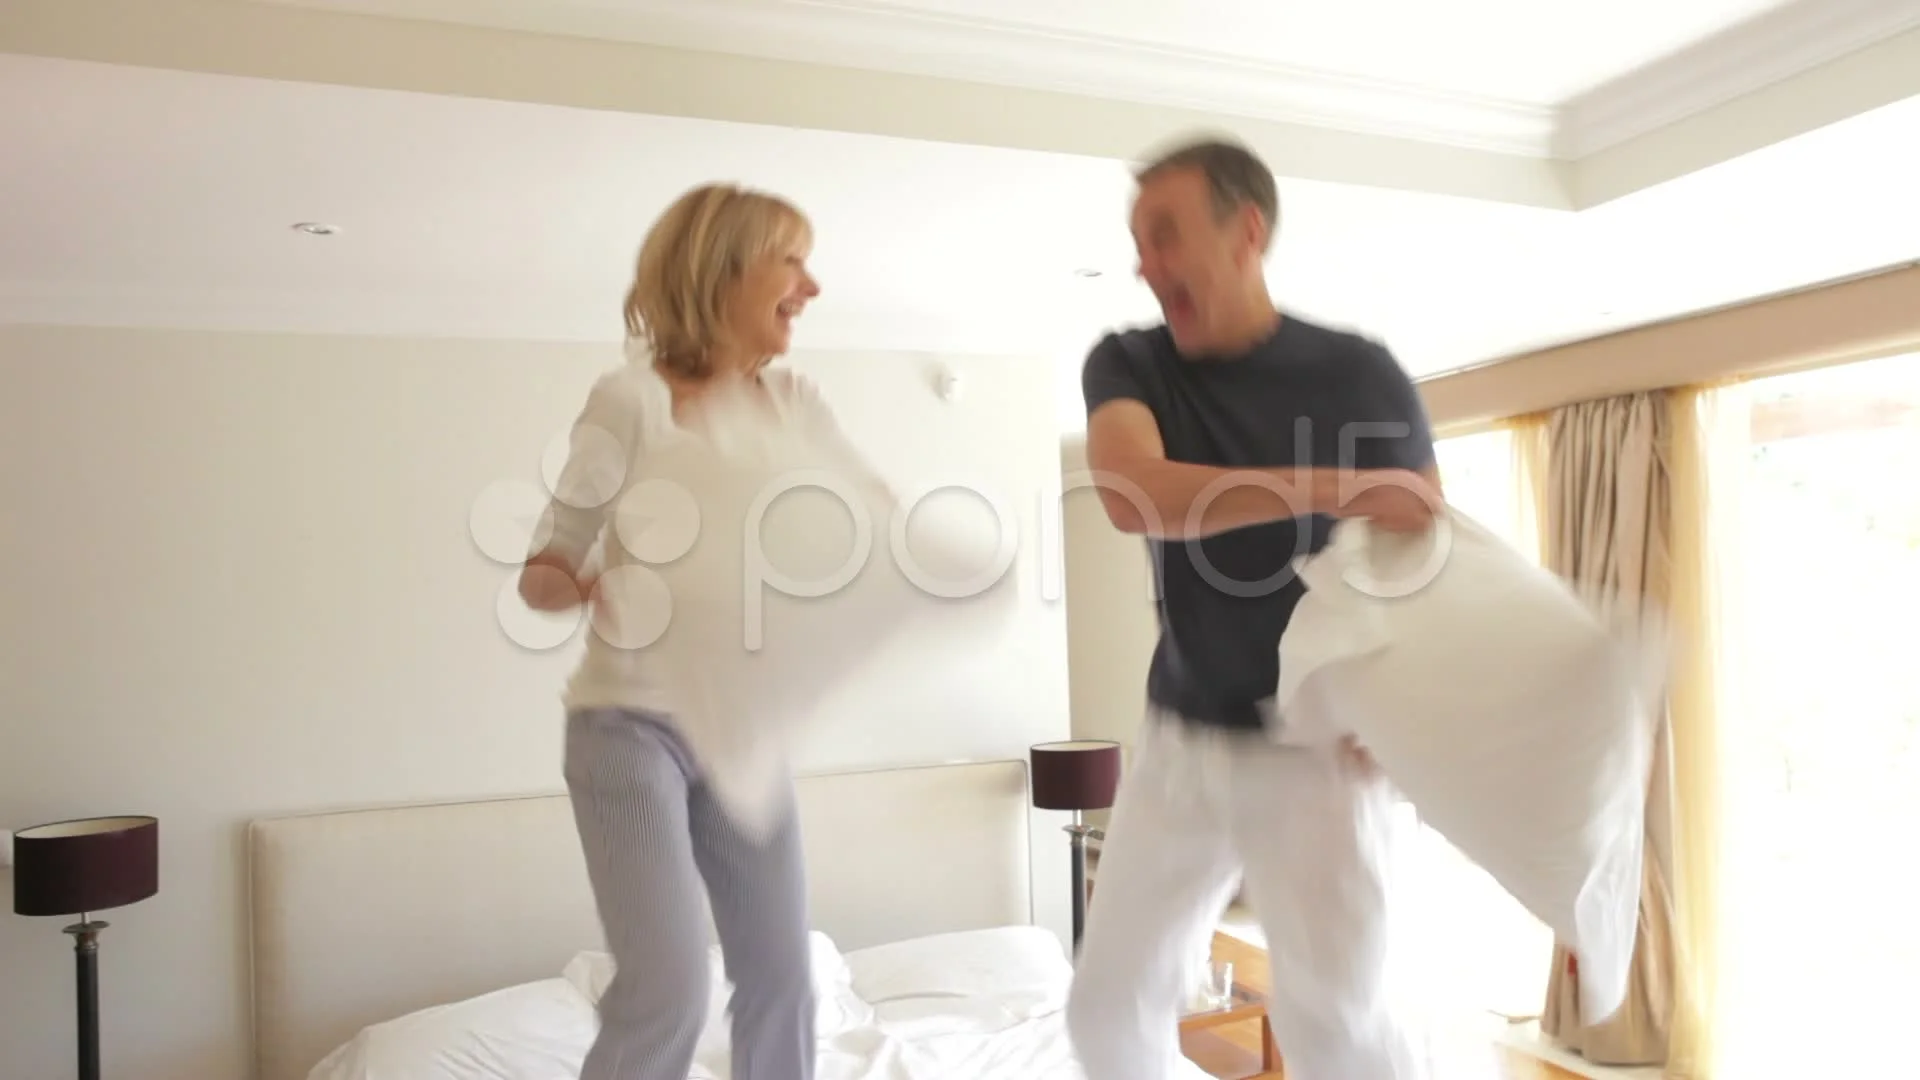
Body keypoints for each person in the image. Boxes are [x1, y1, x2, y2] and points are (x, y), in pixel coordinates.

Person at [1064, 137, 1445, 1080]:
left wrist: (1402, 708)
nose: (1144, 264)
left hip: (1320, 754)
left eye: (1165, 235)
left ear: (1246, 232)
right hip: (1180, 747)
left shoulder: (1361, 375)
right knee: (1105, 1015)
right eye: (1138, 242)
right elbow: (1132, 493)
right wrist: (1336, 486)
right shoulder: (1128, 363)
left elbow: (1426, 546)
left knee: (1341, 1034)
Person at [518, 182, 830, 1080]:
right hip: (628, 728)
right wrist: (583, 586)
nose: (811, 289)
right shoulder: (627, 401)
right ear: (723, 268)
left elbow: (856, 529)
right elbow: (544, 570)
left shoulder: (795, 402)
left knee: (784, 979)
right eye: (793, 262)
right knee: (670, 992)